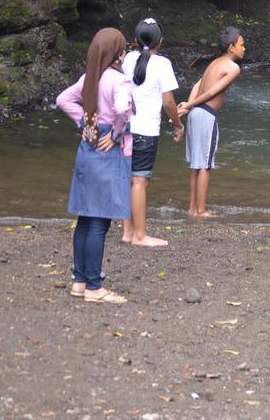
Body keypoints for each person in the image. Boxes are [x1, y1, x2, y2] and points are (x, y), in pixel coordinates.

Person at [55, 28, 133, 303]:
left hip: (86, 151)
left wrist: (85, 123)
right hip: (106, 154)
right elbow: (123, 110)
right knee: (99, 222)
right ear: (117, 53)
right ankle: (94, 287)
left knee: (85, 219)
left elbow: (63, 99)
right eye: (123, 49)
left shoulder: (89, 78)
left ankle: (79, 281)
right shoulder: (118, 81)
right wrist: (115, 134)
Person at [120, 18, 184, 246]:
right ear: (161, 41)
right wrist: (178, 125)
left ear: (135, 41)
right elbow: (168, 102)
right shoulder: (162, 64)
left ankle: (128, 232)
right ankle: (140, 235)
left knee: (128, 179)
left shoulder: (128, 59)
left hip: (125, 129)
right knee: (140, 181)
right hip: (146, 131)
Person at [178, 26, 245, 217]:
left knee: (196, 164)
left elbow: (197, 85)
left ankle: (192, 208)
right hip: (206, 114)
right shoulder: (233, 68)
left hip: (195, 114)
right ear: (231, 47)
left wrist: (188, 106)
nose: (244, 48)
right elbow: (211, 92)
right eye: (241, 45)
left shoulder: (214, 62)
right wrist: (190, 104)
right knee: (205, 165)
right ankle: (201, 210)